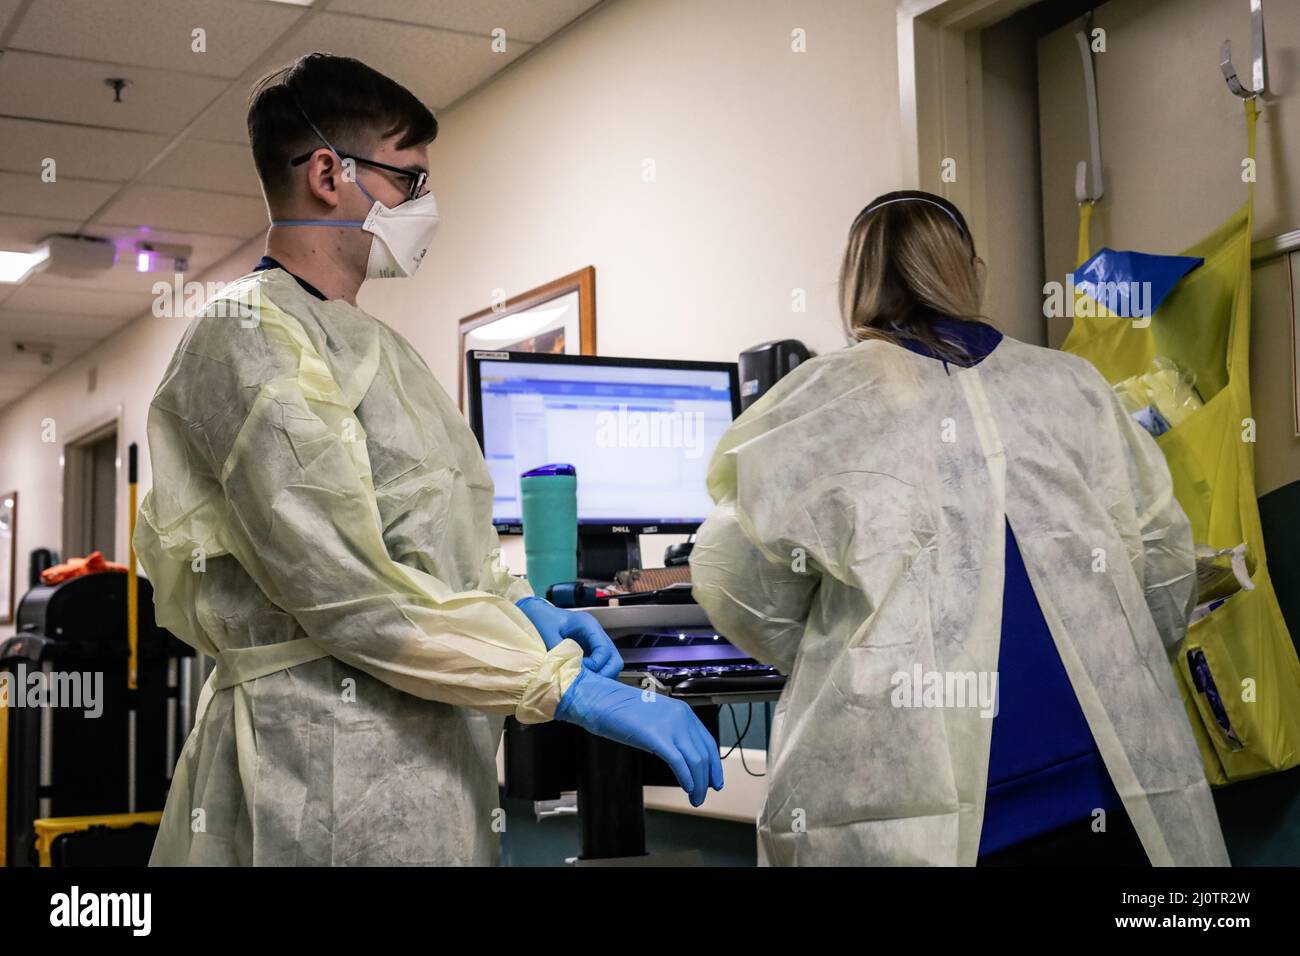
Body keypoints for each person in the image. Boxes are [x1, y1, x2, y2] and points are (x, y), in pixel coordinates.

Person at [135, 53, 721, 866]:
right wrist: (563, 688)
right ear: (329, 173)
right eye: (409, 179)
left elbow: (433, 545)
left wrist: (518, 603)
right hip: (316, 766)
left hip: (432, 760)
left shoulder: (380, 350)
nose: (423, 204)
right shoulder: (248, 338)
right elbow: (350, 593)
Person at [690, 189, 1229, 867]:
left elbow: (724, 571)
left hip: (911, 821)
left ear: (854, 284)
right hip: (1104, 791)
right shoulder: (1072, 387)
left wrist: (847, 651)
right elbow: (1166, 561)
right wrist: (1111, 658)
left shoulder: (823, 402)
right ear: (972, 271)